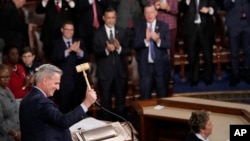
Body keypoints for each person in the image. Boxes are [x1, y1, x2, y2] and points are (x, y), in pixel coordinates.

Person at [19, 64, 97, 141]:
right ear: (45, 81)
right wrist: (87, 103)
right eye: (56, 83)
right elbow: (63, 121)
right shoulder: (41, 102)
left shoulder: (30, 97)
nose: (58, 88)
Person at [93, 7, 130, 120]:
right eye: (108, 18)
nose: (110, 20)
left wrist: (119, 48)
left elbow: (128, 50)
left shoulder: (122, 31)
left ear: (116, 18)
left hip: (120, 73)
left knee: (120, 102)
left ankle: (122, 129)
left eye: (113, 17)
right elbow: (95, 52)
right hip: (105, 74)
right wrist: (106, 50)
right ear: (104, 18)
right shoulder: (98, 33)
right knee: (106, 103)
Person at [133, 3, 171, 99]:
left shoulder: (163, 26)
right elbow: (135, 45)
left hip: (160, 66)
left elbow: (168, 44)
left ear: (156, 13)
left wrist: (158, 40)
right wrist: (146, 40)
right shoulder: (139, 27)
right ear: (144, 14)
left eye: (151, 12)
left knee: (162, 95)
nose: (149, 15)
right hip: (145, 67)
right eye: (147, 13)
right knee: (145, 96)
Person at [51, 20, 89, 113]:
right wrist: (69, 50)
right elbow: (55, 57)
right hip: (64, 83)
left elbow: (87, 57)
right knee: (64, 109)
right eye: (67, 29)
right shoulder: (56, 43)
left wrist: (79, 51)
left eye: (71, 30)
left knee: (78, 110)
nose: (69, 32)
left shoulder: (79, 41)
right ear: (62, 30)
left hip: (78, 82)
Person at [179, 0, 217, 87]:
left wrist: (209, 10)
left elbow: (214, 7)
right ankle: (194, 79)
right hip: (191, 30)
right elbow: (180, 8)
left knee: (207, 55)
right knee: (192, 55)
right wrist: (186, 2)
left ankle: (208, 78)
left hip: (206, 29)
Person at [150, 0, 178, 82]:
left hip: (171, 26)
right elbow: (148, 7)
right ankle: (157, 73)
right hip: (157, 25)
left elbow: (176, 10)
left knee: (170, 50)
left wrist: (167, 7)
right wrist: (155, 6)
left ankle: (170, 72)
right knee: (157, 49)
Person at [224, 0, 250, 86]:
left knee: (248, 51)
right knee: (234, 52)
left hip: (247, 23)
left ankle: (247, 73)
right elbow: (225, 5)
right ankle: (235, 75)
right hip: (234, 24)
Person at [0, 64, 21, 141]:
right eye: (3, 77)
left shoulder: (7, 89)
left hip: (16, 133)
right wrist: (15, 134)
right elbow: (0, 123)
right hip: (5, 136)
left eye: (8, 76)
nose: (6, 79)